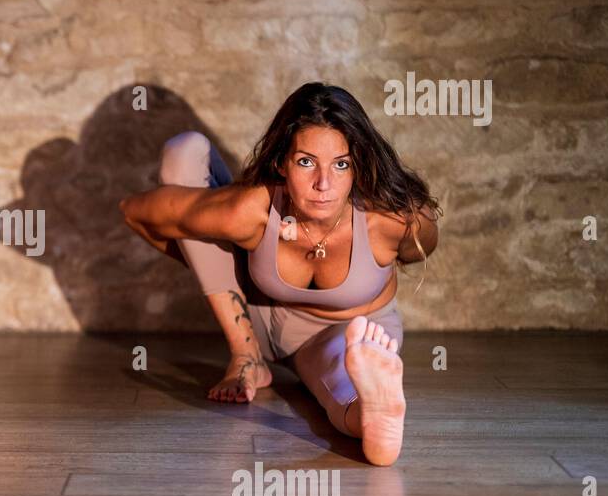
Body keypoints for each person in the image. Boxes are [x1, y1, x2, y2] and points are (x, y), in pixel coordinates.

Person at [119, 83, 441, 466]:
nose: (324, 184)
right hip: (255, 311)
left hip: (342, 331)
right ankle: (246, 354)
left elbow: (418, 251)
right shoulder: (252, 210)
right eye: (306, 162)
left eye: (341, 164)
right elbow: (133, 211)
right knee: (184, 151)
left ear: (358, 164)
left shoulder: (394, 221)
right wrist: (211, 258)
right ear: (281, 163)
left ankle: (376, 415)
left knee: (346, 388)